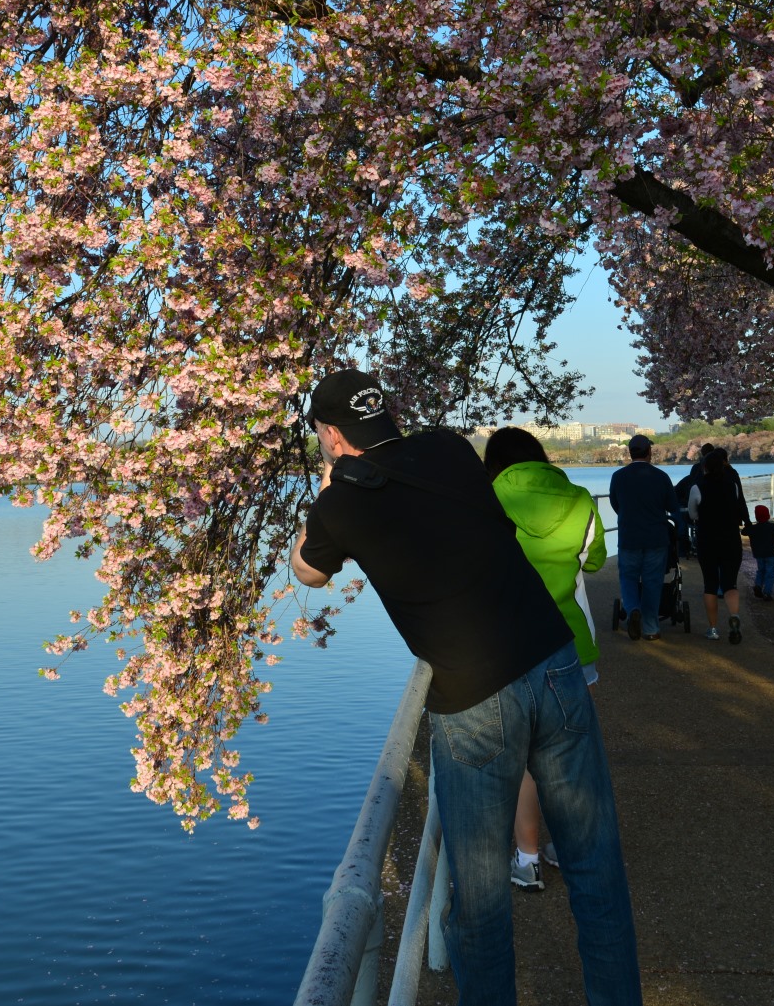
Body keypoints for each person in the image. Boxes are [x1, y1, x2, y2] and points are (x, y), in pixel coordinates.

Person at [291, 371, 640, 1004]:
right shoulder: (451, 448)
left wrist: (328, 491)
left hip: (474, 696)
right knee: (597, 872)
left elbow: (308, 572)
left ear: (330, 435)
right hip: (555, 659)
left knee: (478, 906)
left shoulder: (339, 505)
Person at [484, 427, 608, 892]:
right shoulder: (578, 498)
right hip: (572, 643)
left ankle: (528, 858)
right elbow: (594, 562)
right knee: (569, 753)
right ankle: (573, 849)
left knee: (522, 759)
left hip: (508, 643)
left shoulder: (486, 499)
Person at [608, 433, 683, 640]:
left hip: (628, 536)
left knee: (628, 578)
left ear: (629, 453)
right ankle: (650, 628)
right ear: (649, 452)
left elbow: (616, 505)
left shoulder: (618, 477)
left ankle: (632, 608)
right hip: (656, 538)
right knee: (652, 582)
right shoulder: (661, 477)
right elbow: (673, 506)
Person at [682, 446, 750, 642]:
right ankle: (734, 617)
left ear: (704, 467)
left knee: (711, 584)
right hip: (730, 539)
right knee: (730, 583)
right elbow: (738, 507)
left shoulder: (698, 487)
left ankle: (713, 629)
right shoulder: (732, 485)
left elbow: (693, 513)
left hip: (707, 539)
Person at [745, 505, 774, 599]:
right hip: (770, 554)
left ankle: (758, 585)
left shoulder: (753, 528)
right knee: (770, 573)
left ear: (756, 516)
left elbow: (743, 532)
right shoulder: (772, 527)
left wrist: (748, 523)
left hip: (758, 554)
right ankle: (767, 592)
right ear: (768, 515)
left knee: (760, 570)